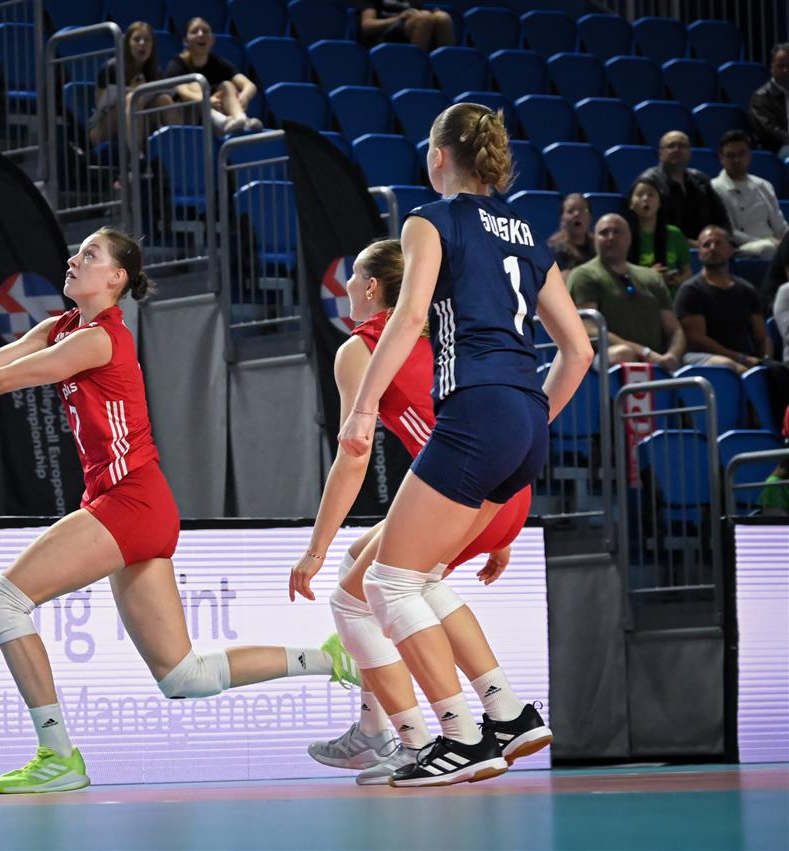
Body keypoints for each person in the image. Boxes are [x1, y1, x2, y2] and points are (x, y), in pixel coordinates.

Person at [0, 228, 336, 794]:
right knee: (184, 676)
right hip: (132, 502)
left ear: (116, 278)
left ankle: (58, 755)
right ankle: (331, 660)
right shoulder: (60, 328)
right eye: (77, 251)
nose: (74, 258)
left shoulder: (101, 339)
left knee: (2, 602)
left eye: (90, 255)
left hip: (131, 500)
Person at [333, 103, 592, 786]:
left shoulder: (432, 219)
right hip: (527, 417)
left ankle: (461, 736)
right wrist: (529, 415)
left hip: (476, 408)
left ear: (438, 155)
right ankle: (507, 712)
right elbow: (579, 350)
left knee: (387, 583)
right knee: (419, 578)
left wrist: (362, 408)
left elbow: (409, 315)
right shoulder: (529, 233)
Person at [288, 239, 541, 786]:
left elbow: (354, 457)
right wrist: (501, 531)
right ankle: (505, 709)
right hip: (504, 489)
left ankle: (423, 741)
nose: (347, 286)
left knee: (353, 600)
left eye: (354, 277)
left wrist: (314, 549)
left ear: (371, 287)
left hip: (457, 491)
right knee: (389, 570)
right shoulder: (453, 334)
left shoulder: (361, 347)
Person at [568, 213, 692, 370]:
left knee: (718, 364)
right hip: (603, 360)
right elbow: (590, 329)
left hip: (661, 359)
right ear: (595, 239)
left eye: (617, 232)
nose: (611, 237)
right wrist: (645, 353)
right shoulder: (584, 275)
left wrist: (672, 355)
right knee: (623, 353)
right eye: (604, 233)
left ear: (629, 238)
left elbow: (675, 330)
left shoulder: (652, 277)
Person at [674, 226, 772, 373]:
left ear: (731, 249)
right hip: (706, 360)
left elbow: (762, 338)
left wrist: (766, 361)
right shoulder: (691, 290)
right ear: (699, 253)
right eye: (706, 245)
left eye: (718, 243)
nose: (712, 248)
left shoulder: (747, 290)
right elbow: (696, 339)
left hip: (745, 360)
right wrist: (739, 359)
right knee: (728, 365)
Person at [164, 18, 261, 135]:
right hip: (187, 118)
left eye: (205, 31)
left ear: (212, 39)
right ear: (185, 41)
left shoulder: (218, 62)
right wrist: (208, 100)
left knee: (227, 85)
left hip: (214, 111)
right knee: (196, 84)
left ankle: (241, 119)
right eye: (194, 31)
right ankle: (223, 122)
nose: (201, 34)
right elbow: (183, 92)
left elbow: (249, 85)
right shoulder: (177, 63)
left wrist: (244, 96)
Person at [637, 130, 731, 243]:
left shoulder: (701, 180)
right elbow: (646, 227)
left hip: (707, 246)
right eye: (671, 146)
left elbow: (722, 220)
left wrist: (719, 241)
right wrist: (687, 244)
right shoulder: (649, 183)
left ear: (690, 153)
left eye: (682, 146)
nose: (677, 149)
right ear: (660, 153)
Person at [711, 130, 789, 261]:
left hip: (773, 243)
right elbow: (729, 232)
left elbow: (780, 225)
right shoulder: (715, 187)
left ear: (749, 155)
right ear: (721, 158)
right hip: (741, 247)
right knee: (768, 248)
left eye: (742, 154)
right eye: (730, 155)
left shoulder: (763, 185)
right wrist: (769, 242)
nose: (737, 160)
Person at [88, 21, 168, 147]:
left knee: (164, 99)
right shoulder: (111, 68)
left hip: (138, 121)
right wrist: (133, 92)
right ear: (127, 43)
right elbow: (101, 106)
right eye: (137, 39)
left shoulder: (154, 71)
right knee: (133, 99)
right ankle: (137, 155)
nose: (142, 44)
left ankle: (180, 149)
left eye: (147, 40)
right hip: (105, 125)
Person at [626, 177, 691, 296]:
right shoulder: (623, 235)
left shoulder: (674, 234)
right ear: (631, 204)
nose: (645, 198)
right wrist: (649, 276)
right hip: (637, 299)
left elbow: (687, 272)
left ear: (660, 202)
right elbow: (618, 276)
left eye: (651, 195)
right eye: (640, 195)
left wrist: (677, 280)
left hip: (669, 299)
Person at [356, 1, 455, 52]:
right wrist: (398, 18)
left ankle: (445, 73)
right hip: (383, 36)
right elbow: (367, 25)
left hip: (410, 29)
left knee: (442, 17)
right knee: (424, 18)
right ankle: (415, 70)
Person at [749, 43, 789, 158]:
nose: (786, 70)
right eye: (781, 66)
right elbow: (769, 131)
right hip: (776, 151)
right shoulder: (760, 97)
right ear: (772, 67)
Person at [548, 193, 595, 279]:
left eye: (582, 210)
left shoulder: (598, 247)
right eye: (570, 211)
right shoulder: (553, 249)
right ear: (562, 219)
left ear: (590, 218)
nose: (577, 214)